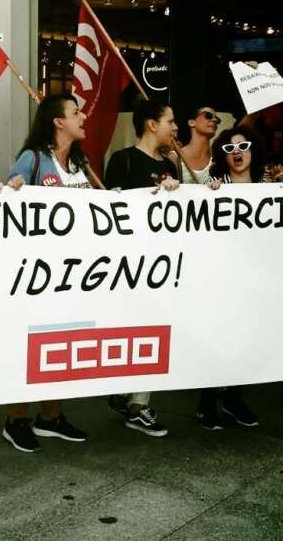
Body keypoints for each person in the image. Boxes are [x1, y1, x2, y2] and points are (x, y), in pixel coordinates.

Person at [1, 93, 91, 453]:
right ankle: (16, 419)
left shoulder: (79, 163)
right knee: (29, 346)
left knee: (64, 343)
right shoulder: (34, 158)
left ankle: (51, 418)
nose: (83, 117)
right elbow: (9, 201)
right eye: (76, 112)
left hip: (74, 274)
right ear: (58, 122)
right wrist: (14, 190)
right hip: (37, 274)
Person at [103, 100, 180, 438]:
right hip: (129, 264)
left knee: (155, 328)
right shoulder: (123, 160)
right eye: (170, 121)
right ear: (151, 124)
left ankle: (136, 400)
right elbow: (111, 209)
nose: (175, 128)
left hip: (162, 264)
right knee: (131, 327)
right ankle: (131, 398)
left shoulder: (172, 167)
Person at [195, 126, 264, 429]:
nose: (237, 153)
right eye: (229, 149)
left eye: (243, 146)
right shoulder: (213, 186)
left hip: (254, 280)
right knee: (218, 340)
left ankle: (234, 399)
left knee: (247, 341)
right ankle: (207, 402)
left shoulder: (270, 188)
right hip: (220, 280)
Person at [176, 105, 220, 184]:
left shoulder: (218, 157)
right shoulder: (175, 156)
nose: (214, 120)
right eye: (208, 116)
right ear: (192, 122)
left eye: (217, 119)